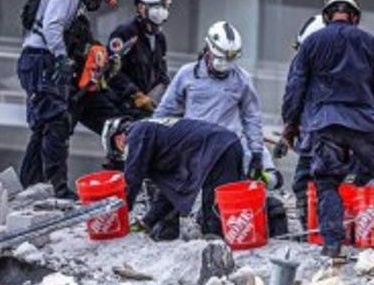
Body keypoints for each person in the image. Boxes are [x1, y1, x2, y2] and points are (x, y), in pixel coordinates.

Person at [282, 0, 374, 259]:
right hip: (364, 123)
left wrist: (291, 125)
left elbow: (295, 88)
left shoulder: (311, 44)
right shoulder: (370, 42)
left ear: (328, 15)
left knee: (326, 182)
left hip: (325, 124)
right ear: (355, 16)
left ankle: (332, 245)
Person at [154, 21, 287, 236]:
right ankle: (163, 227)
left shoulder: (242, 80)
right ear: (208, 49)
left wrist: (255, 153)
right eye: (221, 57)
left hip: (225, 151)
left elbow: (252, 118)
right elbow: (165, 111)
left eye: (231, 58)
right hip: (192, 146)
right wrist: (156, 140)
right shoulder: (187, 75)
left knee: (217, 208)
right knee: (172, 192)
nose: (225, 63)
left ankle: (211, 225)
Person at [17, 0, 120, 198]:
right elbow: (52, 26)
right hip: (41, 59)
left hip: (39, 59)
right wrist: (61, 57)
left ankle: (32, 184)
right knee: (57, 121)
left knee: (45, 124)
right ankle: (56, 188)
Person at [104, 117, 243, 240]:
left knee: (215, 215)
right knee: (235, 202)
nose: (125, 154)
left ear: (118, 139)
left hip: (217, 149)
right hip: (226, 144)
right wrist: (148, 222)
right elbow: (168, 192)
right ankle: (248, 234)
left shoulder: (137, 133)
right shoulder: (156, 135)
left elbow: (132, 177)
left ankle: (225, 256)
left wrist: (117, 216)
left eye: (120, 151)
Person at [284, 13, 327, 228]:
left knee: (305, 183)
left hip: (316, 138)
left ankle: (314, 230)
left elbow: (293, 98)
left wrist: (290, 125)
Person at [108, 0, 171, 117]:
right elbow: (112, 72)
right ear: (141, 7)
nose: (161, 13)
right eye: (156, 8)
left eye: (164, 8)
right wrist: (136, 95)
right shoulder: (124, 34)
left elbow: (162, 75)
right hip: (122, 108)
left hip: (148, 110)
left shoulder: (160, 39)